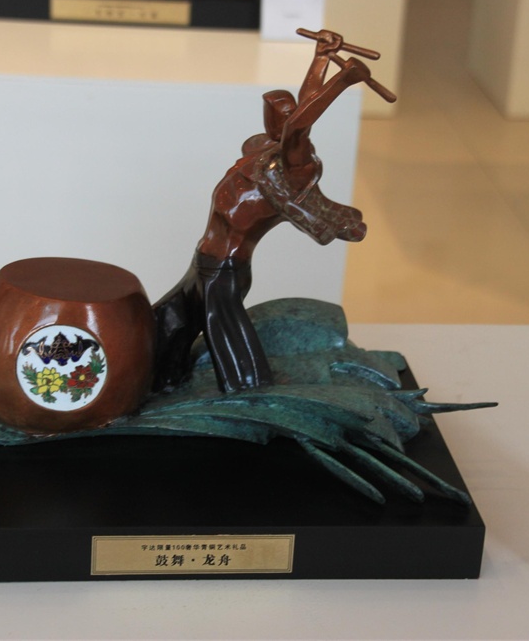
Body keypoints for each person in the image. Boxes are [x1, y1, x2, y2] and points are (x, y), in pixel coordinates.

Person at [152, 29, 394, 393]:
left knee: (228, 342)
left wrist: (343, 81)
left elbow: (299, 123)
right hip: (202, 263)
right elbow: (302, 109)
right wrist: (322, 58)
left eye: (280, 115)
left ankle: (250, 395)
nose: (274, 117)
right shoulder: (263, 150)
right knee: (169, 321)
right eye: (272, 112)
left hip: (224, 269)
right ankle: (165, 380)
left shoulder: (294, 165)